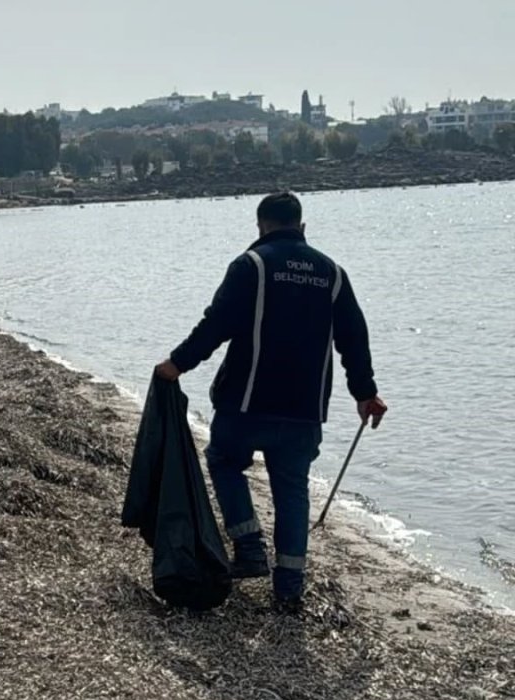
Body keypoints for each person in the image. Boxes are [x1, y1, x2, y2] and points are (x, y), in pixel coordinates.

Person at [154, 192, 388, 614]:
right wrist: (365, 393)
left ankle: (248, 547)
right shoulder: (332, 273)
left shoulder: (251, 266)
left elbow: (217, 325)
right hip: (303, 410)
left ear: (260, 226)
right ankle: (289, 587)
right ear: (302, 227)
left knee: (225, 462)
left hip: (246, 402)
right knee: (292, 490)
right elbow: (353, 337)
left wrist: (177, 364)